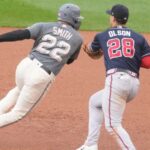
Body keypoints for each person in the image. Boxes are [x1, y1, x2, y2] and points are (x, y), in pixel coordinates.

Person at [76, 4, 150, 150]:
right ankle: (90, 144)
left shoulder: (103, 36)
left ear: (114, 18)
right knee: (95, 102)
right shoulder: (139, 38)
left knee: (112, 125)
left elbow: (92, 52)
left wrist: (86, 49)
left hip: (116, 81)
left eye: (111, 15)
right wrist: (130, 59)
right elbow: (148, 63)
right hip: (133, 85)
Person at [0, 3, 83, 127]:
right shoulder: (77, 38)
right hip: (40, 75)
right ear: (73, 19)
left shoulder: (44, 26)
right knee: (18, 113)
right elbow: (70, 61)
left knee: (19, 89)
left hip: (25, 66)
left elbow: (20, 34)